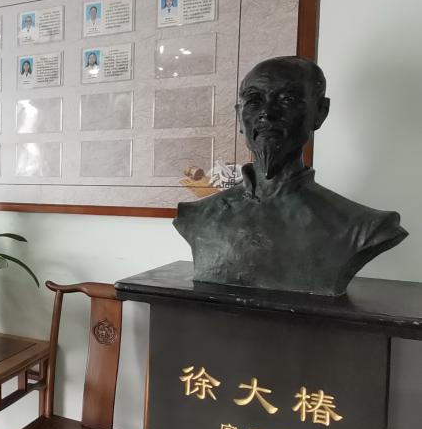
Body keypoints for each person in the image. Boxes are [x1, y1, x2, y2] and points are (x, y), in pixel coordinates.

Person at [174, 57, 408, 295]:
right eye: (254, 100)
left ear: (320, 112)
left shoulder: (364, 227)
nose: (267, 113)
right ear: (239, 116)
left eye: (288, 99)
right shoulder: (196, 216)